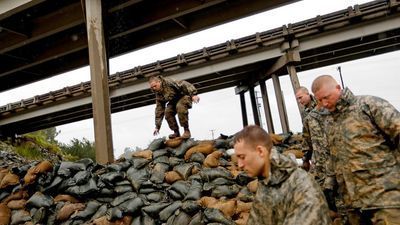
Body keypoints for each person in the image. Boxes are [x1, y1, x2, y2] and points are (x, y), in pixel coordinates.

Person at [311, 75, 400, 225]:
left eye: (326, 97)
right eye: (319, 100)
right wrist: (328, 186)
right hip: (353, 206)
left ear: (338, 88)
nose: (324, 103)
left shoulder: (369, 105)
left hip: (385, 199)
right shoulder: (329, 122)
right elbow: (332, 158)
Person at [233, 125, 332, 225]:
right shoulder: (267, 184)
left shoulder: (302, 187)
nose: (240, 165)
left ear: (260, 151)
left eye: (242, 157)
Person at [296, 86, 318, 171]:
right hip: (317, 153)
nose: (299, 101)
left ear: (307, 93)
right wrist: (306, 159)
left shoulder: (321, 103)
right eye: (297, 99)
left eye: (300, 98)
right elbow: (306, 136)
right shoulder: (305, 113)